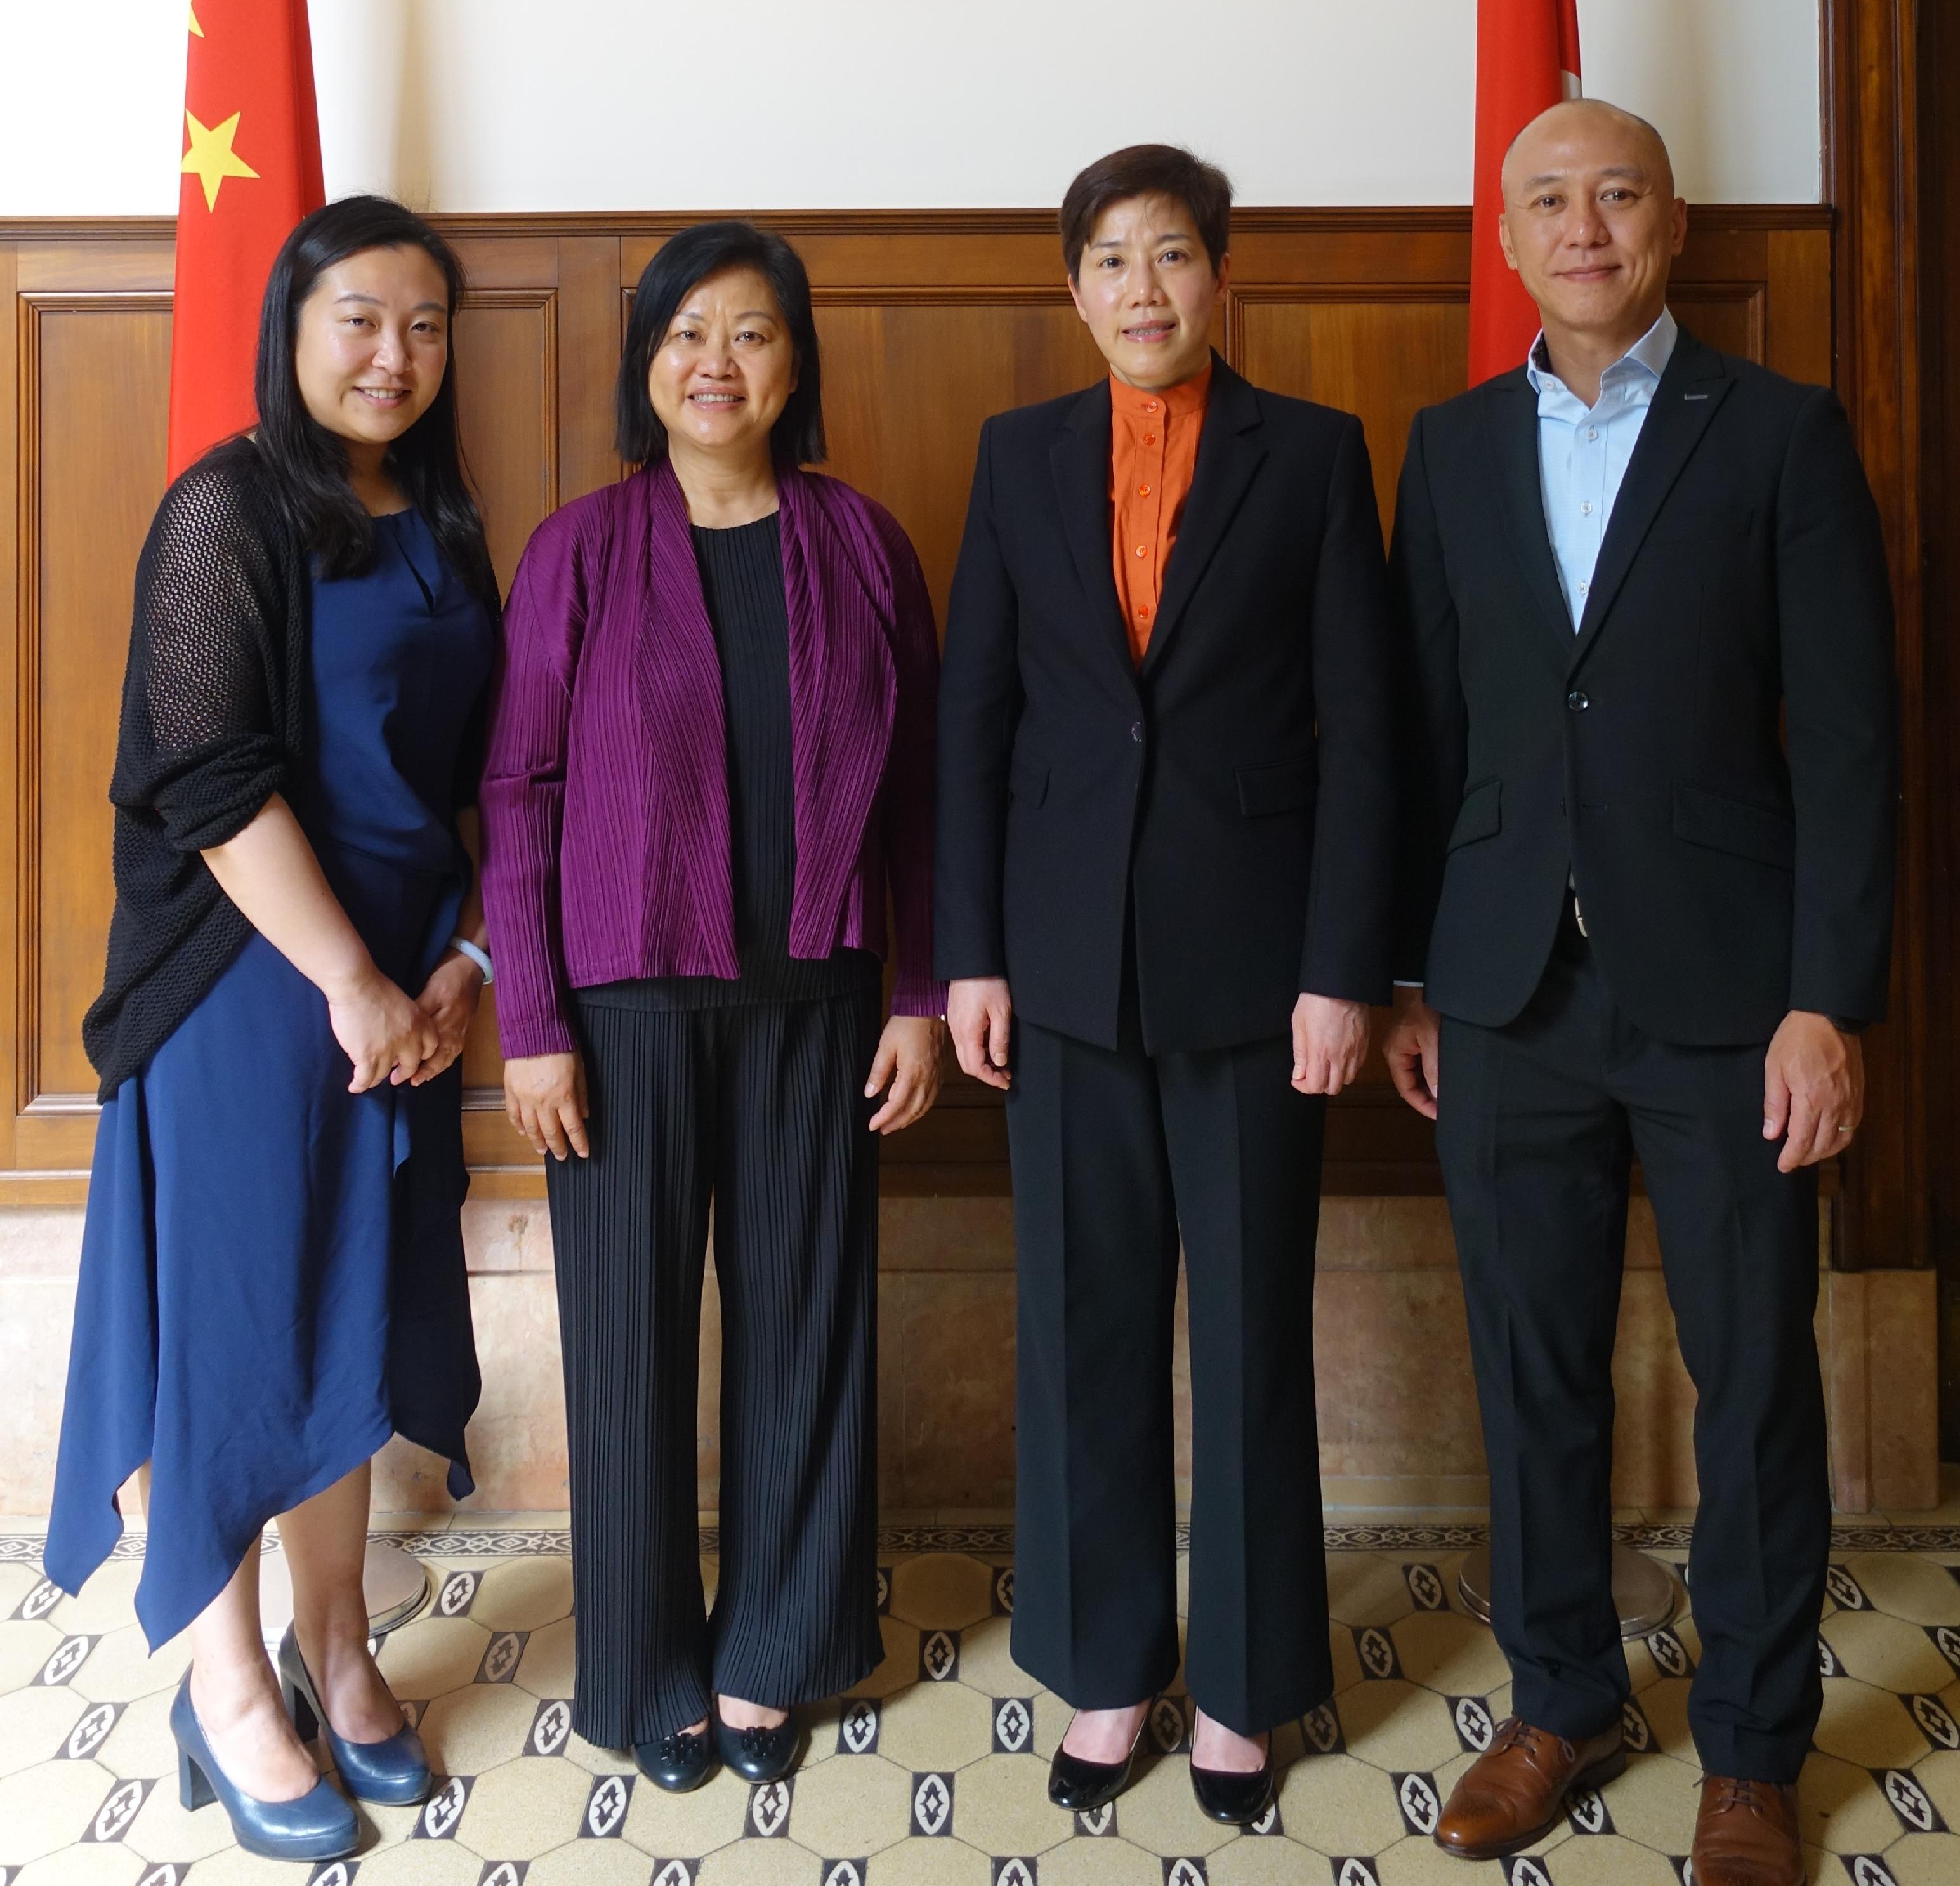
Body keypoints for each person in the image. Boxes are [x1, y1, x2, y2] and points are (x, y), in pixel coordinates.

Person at [1386, 101, 1897, 1886]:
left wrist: (1829, 1000)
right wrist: (1407, 979)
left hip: (1730, 1000)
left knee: (1749, 1373)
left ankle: (1755, 1747)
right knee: (1532, 1374)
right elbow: (1421, 736)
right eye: (1547, 199)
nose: (1582, 224)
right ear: (1506, 241)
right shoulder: (1446, 450)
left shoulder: (1776, 435)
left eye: (1616, 194)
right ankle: (1562, 1698)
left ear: (1671, 227)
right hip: (1505, 993)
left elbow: (1845, 741)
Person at [935, 145, 1397, 1828]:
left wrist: (1347, 971)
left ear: (1222, 278)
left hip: (1263, 980)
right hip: (1056, 975)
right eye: (1112, 261)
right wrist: (967, 951)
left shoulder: (1318, 456)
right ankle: (1108, 1665)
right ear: (1074, 292)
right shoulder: (1019, 458)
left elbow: (1366, 733)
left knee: (1255, 1339)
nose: (1144, 288)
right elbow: (973, 719)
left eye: (1175, 256)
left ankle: (1252, 1690)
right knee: (1083, 1337)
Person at [44, 197, 500, 1858]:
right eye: (362, 319)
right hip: (251, 990)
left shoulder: (445, 516)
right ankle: (223, 1681)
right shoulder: (227, 506)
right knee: (238, 1339)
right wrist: (351, 981)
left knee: (353, 1322)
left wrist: (464, 957)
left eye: (426, 326)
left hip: (405, 994)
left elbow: (477, 774)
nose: (396, 354)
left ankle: (339, 1648)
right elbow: (209, 772)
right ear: (294, 331)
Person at [480, 220, 944, 1792]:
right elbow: (521, 789)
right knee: (627, 1348)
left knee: (808, 1329)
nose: (718, 362)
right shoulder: (583, 547)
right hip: (620, 1010)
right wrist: (529, 1017)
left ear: (793, 363)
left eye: (752, 332)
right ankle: (649, 1668)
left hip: (822, 999)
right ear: (647, 363)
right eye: (688, 332)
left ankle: (776, 1653)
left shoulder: (864, 541)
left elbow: (924, 795)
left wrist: (924, 992)